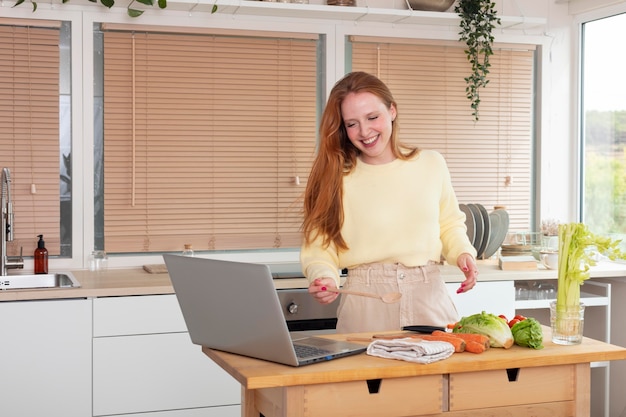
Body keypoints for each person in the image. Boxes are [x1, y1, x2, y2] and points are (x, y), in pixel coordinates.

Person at [300, 71, 479, 334]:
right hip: (365, 300)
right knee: (364, 376)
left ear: (392, 111)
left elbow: (450, 223)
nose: (365, 131)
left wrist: (463, 253)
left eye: (373, 117)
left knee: (437, 375)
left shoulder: (431, 163)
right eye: (352, 123)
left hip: (428, 294)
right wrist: (323, 277)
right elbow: (319, 246)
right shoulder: (335, 176)